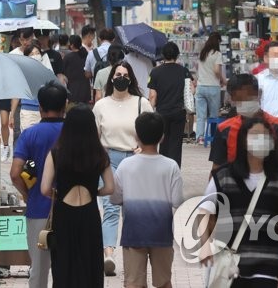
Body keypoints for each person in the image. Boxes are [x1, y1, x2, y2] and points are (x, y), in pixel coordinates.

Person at [198, 115, 278, 288]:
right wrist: (204, 245)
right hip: (231, 265)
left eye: (265, 136)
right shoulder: (223, 177)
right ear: (243, 141)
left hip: (269, 264)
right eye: (255, 135)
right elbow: (205, 211)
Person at [209, 73, 278, 221]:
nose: (245, 102)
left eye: (249, 97)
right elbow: (216, 169)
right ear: (232, 100)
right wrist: (211, 211)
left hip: (270, 199)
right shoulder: (224, 130)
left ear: (259, 94)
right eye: (239, 99)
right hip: (233, 203)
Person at [41, 105, 114, 288]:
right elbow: (110, 187)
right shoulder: (100, 153)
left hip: (64, 213)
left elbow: (44, 188)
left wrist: (57, 194)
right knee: (90, 264)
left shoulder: (56, 153)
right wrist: (96, 191)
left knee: (64, 264)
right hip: (89, 213)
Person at [110, 112, 183, 288]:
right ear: (162, 137)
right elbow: (178, 201)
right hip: (162, 233)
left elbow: (114, 198)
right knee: (164, 282)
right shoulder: (171, 166)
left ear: (136, 136)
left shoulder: (126, 166)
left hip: (134, 232)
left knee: (133, 283)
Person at [9, 83, 68, 288]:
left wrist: (27, 194)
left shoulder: (30, 135)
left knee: (39, 270)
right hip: (71, 209)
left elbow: (15, 173)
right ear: (65, 106)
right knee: (68, 268)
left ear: (40, 107)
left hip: (38, 210)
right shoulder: (73, 133)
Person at [93, 61, 148, 276]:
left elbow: (154, 132)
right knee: (110, 209)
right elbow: (94, 137)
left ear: (131, 78)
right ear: (111, 78)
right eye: (117, 74)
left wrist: (144, 149)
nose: (121, 77)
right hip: (108, 161)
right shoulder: (101, 105)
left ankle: (133, 257)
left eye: (125, 74)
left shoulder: (141, 103)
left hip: (135, 161)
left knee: (132, 211)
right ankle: (109, 254)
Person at [147, 41, 193, 166]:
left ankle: (163, 170)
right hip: (179, 112)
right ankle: (174, 170)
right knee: (176, 144)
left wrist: (150, 112)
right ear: (177, 55)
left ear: (163, 55)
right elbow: (191, 91)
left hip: (162, 113)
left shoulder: (155, 72)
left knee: (163, 142)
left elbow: (152, 96)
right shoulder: (184, 71)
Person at [195, 32, 225, 146]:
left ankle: (200, 138)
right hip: (213, 87)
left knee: (201, 115)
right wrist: (222, 80)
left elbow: (198, 71)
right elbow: (217, 71)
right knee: (213, 115)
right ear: (218, 42)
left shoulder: (202, 53)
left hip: (201, 87)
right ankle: (212, 137)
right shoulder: (217, 54)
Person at [62, 33, 92, 105]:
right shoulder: (86, 55)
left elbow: (63, 73)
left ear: (72, 45)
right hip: (85, 91)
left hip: (72, 91)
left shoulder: (67, 57)